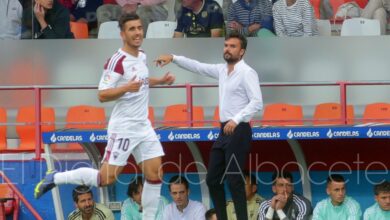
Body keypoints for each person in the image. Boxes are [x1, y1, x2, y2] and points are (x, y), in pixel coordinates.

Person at [34, 13, 175, 220]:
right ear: (122, 34)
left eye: (139, 28)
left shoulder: (141, 55)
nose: (137, 33)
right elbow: (102, 94)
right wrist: (126, 87)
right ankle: (56, 176)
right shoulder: (116, 61)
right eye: (132, 29)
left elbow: (142, 80)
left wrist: (160, 81)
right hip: (124, 127)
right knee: (105, 178)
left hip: (143, 126)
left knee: (155, 176)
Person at [155, 31, 263, 220]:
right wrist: (173, 57)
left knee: (234, 178)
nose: (228, 49)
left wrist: (236, 119)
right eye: (226, 45)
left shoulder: (247, 72)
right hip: (224, 130)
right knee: (213, 178)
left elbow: (257, 102)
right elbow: (198, 67)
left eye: (233, 46)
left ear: (242, 51)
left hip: (239, 129)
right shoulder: (222, 70)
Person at [96, 0, 168, 34]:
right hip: (127, 6)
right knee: (103, 10)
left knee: (141, 12)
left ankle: (141, 46)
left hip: (154, 7)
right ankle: (108, 43)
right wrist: (125, 5)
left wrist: (138, 4)